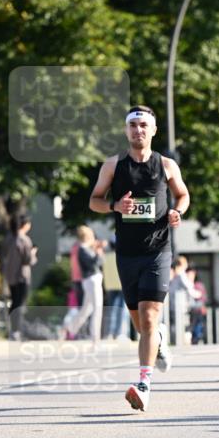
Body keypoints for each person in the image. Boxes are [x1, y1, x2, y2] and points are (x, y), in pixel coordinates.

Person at [89, 105, 190, 412]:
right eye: (133, 125)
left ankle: (144, 384)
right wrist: (114, 206)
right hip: (128, 255)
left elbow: (183, 195)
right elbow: (94, 201)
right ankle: (158, 337)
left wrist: (177, 211)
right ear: (126, 130)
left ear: (153, 130)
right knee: (141, 324)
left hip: (158, 252)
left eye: (144, 125)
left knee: (147, 317)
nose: (138, 130)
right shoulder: (113, 165)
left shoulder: (167, 165)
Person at [64, 226, 105, 346]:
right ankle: (95, 339)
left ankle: (71, 327)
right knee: (97, 309)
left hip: (90, 281)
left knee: (87, 309)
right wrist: (97, 252)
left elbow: (100, 262)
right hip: (92, 280)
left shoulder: (85, 248)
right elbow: (93, 264)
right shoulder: (82, 249)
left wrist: (98, 251)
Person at [1, 214, 37, 340]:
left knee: (14, 303)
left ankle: (12, 330)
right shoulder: (24, 240)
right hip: (22, 276)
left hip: (10, 275)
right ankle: (18, 331)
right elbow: (27, 260)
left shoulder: (8, 238)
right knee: (20, 304)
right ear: (25, 225)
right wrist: (33, 254)